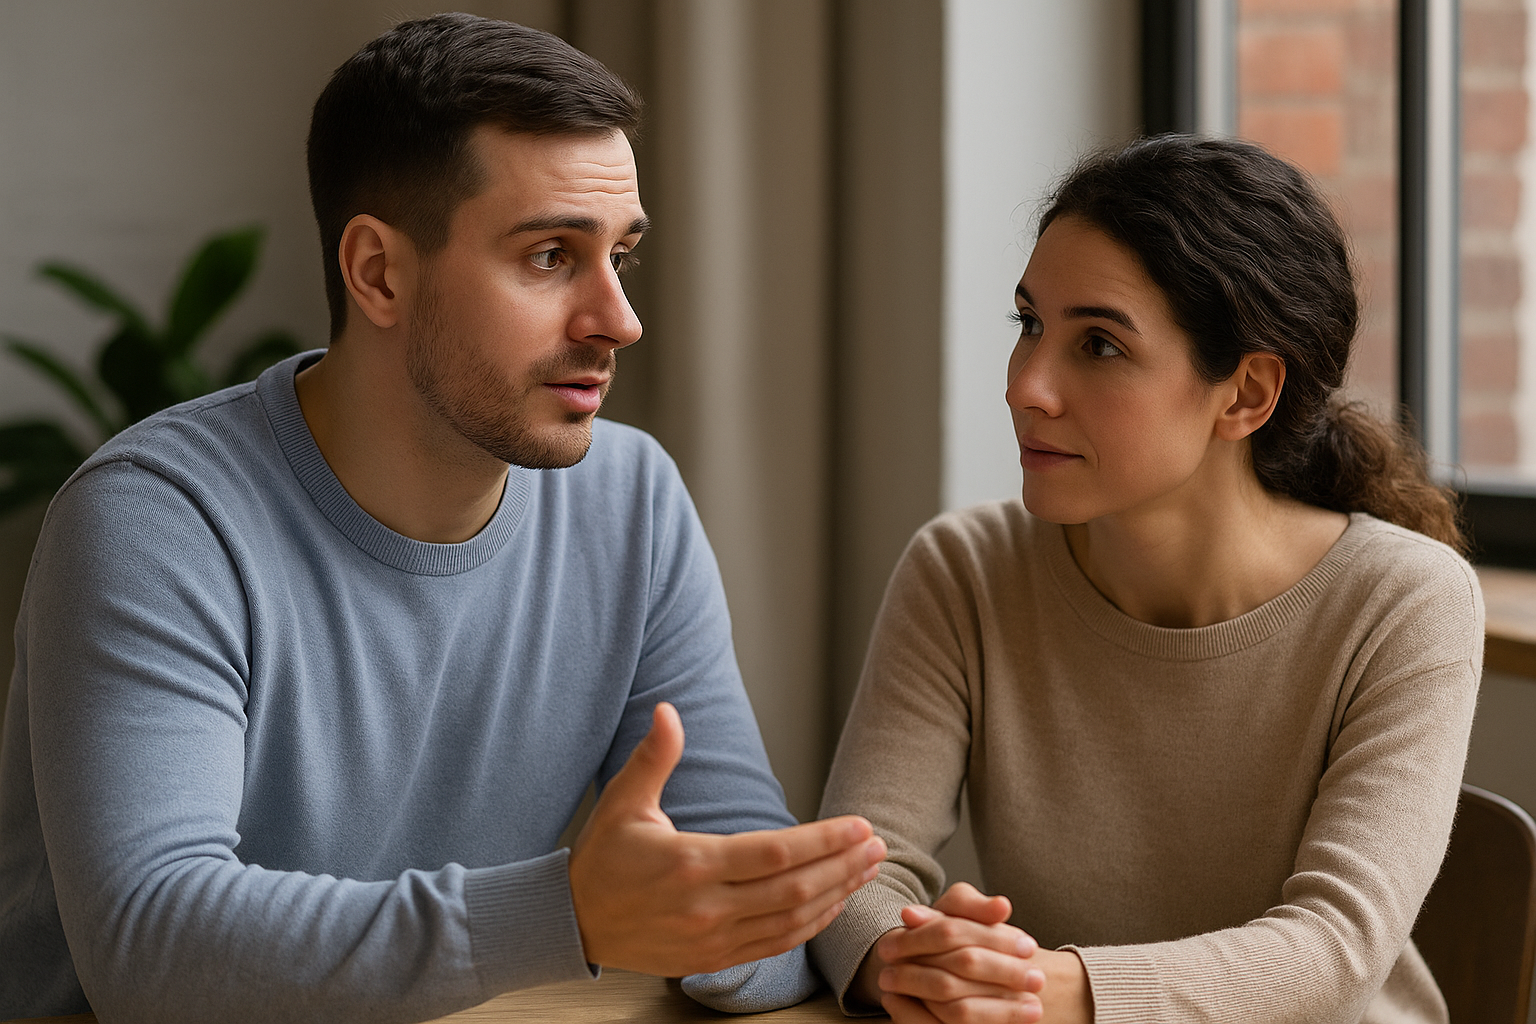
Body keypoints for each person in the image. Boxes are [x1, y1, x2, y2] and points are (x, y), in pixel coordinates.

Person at [0, 14, 885, 1022]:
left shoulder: (629, 501)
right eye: (552, 255)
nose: (619, 319)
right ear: (378, 272)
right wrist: (571, 915)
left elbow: (747, 898)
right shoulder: (158, 521)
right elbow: (150, 949)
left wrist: (787, 926)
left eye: (620, 257)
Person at [809, 135, 1482, 1024]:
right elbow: (858, 871)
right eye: (1030, 325)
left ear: (1245, 394)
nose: (1027, 386)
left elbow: (1336, 949)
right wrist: (908, 958)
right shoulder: (965, 572)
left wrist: (1059, 990)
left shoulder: (1405, 601)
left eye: (1099, 345)